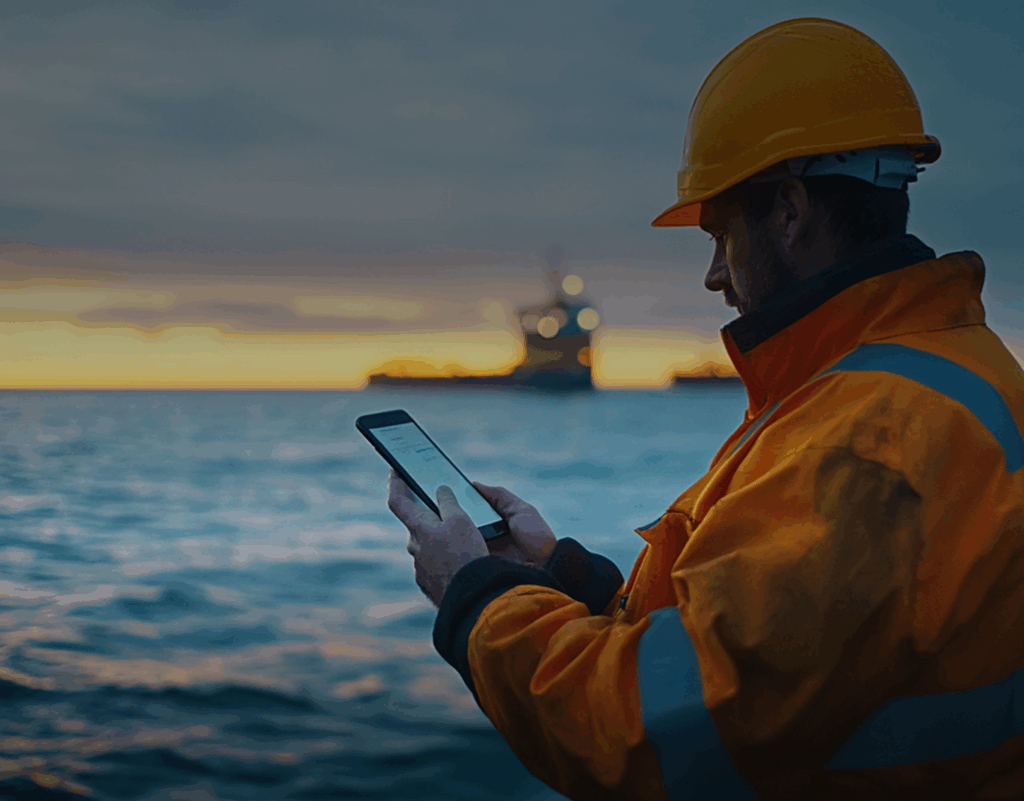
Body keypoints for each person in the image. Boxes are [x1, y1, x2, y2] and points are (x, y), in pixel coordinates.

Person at [387, 17, 1024, 801]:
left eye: (721, 234)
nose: (715, 276)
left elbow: (653, 737)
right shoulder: (948, 370)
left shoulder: (862, 443)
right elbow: (766, 641)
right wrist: (560, 578)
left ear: (789, 212)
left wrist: (476, 597)